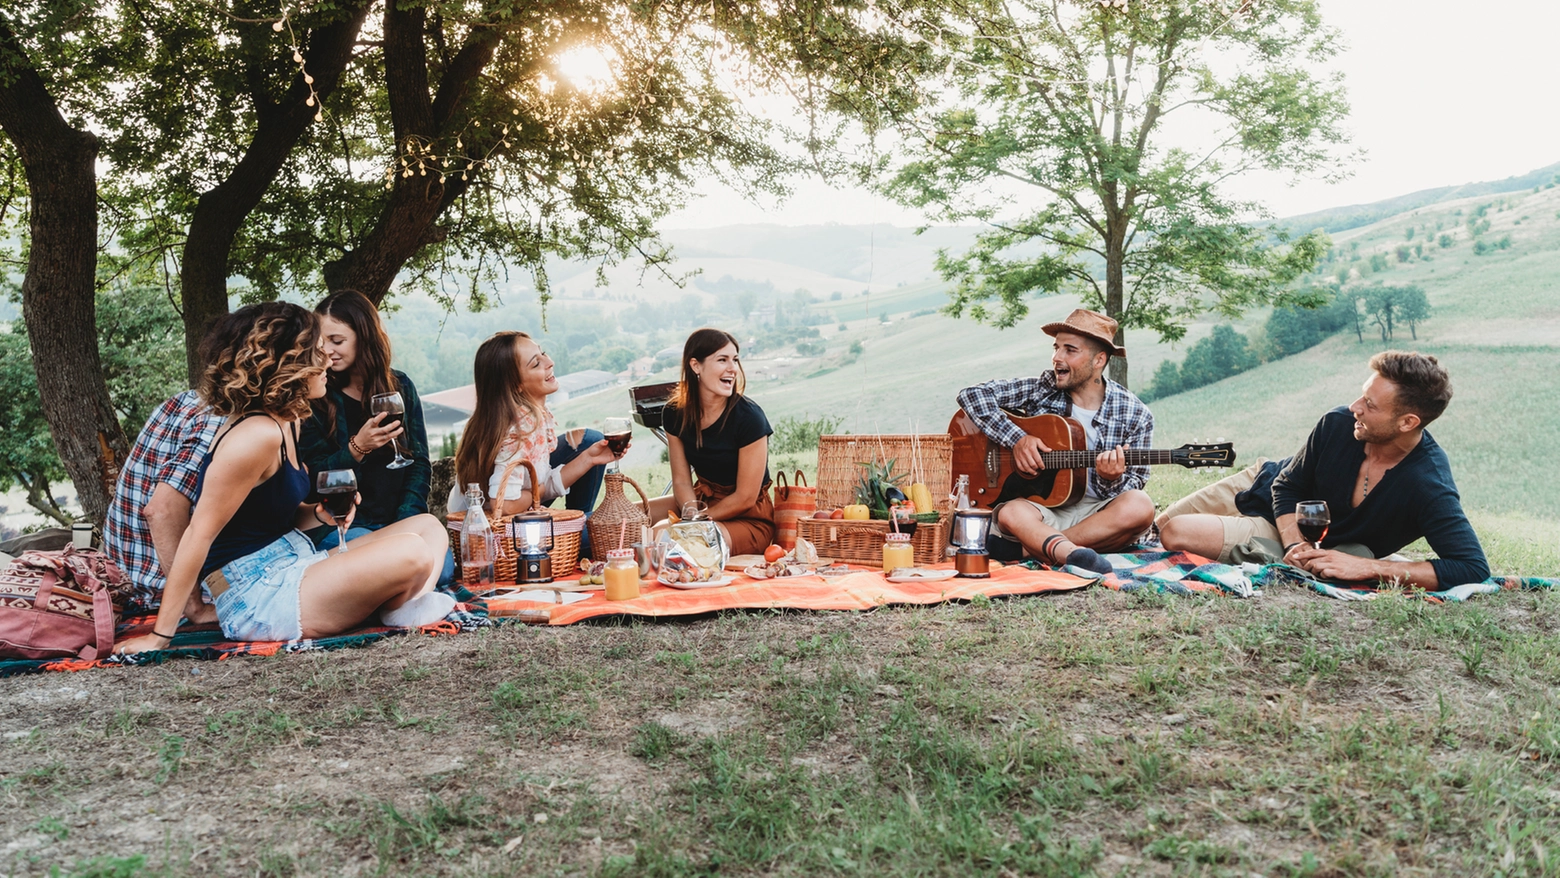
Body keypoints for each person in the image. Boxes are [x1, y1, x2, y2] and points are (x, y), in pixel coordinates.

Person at [115, 302, 454, 654]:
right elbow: (198, 535)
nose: (327, 363)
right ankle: (403, 605)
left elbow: (264, 515)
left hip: (291, 560)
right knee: (412, 550)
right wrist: (161, 635)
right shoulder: (256, 435)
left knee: (428, 526)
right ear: (290, 365)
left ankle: (406, 605)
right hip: (255, 593)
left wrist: (319, 514)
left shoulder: (287, 420)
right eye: (317, 354)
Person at [1157, 351, 1489, 588]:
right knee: (1154, 528)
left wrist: (1368, 567)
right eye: (1361, 396)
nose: (1354, 407)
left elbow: (1471, 567)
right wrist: (1293, 545)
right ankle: (1256, 550)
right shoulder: (1337, 423)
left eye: (1369, 405)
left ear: (1407, 422)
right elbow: (1287, 487)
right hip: (1264, 485)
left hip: (1286, 533)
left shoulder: (1428, 484)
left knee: (1176, 533)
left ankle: (1252, 549)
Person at [955, 308, 1156, 574]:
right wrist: (1018, 439)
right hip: (1043, 509)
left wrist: (1111, 479)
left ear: (1098, 360)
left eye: (1069, 350)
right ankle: (1070, 550)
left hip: (1097, 514)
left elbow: (1135, 481)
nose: (1057, 357)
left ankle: (1033, 548)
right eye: (1056, 347)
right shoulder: (1042, 388)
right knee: (1011, 513)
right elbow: (972, 395)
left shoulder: (1136, 414)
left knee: (1140, 505)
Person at [104, 315, 253, 620]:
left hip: (132, 577)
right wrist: (193, 607)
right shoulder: (221, 422)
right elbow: (161, 511)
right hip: (157, 592)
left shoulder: (186, 401)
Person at [299, 290, 452, 583]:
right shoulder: (317, 396)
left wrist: (407, 520)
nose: (328, 351)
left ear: (364, 337)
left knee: (442, 568)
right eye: (323, 342)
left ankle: (393, 587)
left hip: (397, 521)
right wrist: (357, 447)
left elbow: (419, 462)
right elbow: (314, 479)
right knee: (391, 567)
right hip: (345, 526)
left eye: (337, 341)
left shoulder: (400, 386)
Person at [448, 332, 622, 542]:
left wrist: (589, 459)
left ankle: (576, 524)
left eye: (544, 354)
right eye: (536, 364)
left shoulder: (526, 415)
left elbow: (538, 483)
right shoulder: (520, 427)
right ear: (515, 385)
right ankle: (573, 533)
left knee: (590, 442)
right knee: (617, 526)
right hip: (496, 538)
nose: (550, 362)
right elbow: (504, 505)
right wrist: (538, 491)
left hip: (512, 522)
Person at [658, 328, 776, 556]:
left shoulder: (750, 418)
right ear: (695, 366)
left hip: (749, 518)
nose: (733, 369)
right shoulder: (674, 413)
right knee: (630, 517)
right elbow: (682, 482)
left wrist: (694, 522)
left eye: (735, 360)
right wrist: (692, 514)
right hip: (699, 504)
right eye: (722, 360)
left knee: (687, 542)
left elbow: (745, 498)